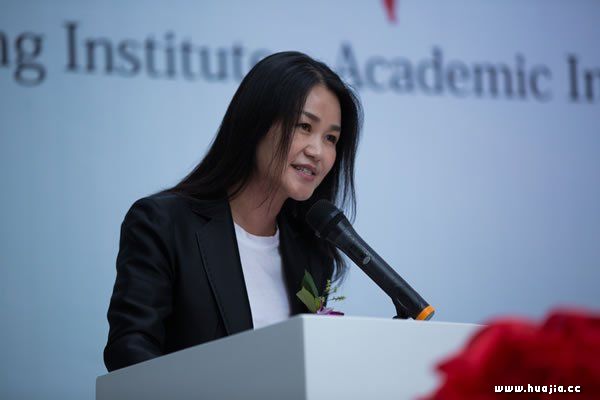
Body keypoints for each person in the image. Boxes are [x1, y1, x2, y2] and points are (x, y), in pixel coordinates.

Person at [103, 51, 362, 372]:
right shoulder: (164, 224)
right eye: (304, 126)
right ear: (256, 123)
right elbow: (130, 351)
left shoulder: (312, 252)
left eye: (331, 138)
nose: (317, 151)